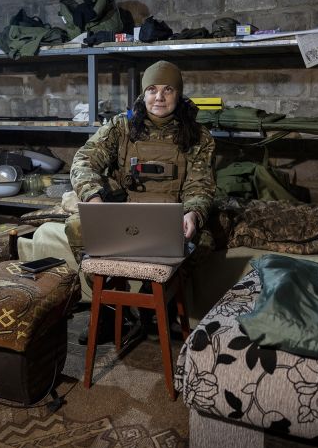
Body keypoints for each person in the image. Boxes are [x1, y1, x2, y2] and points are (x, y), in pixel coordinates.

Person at [64, 59, 217, 343]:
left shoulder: (198, 136)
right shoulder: (121, 127)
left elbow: (200, 185)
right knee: (76, 225)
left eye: (168, 89)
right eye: (152, 89)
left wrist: (193, 214)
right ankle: (109, 311)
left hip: (172, 216)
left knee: (205, 241)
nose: (159, 97)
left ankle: (154, 308)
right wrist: (93, 198)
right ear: (143, 94)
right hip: (125, 213)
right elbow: (83, 161)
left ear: (179, 94)